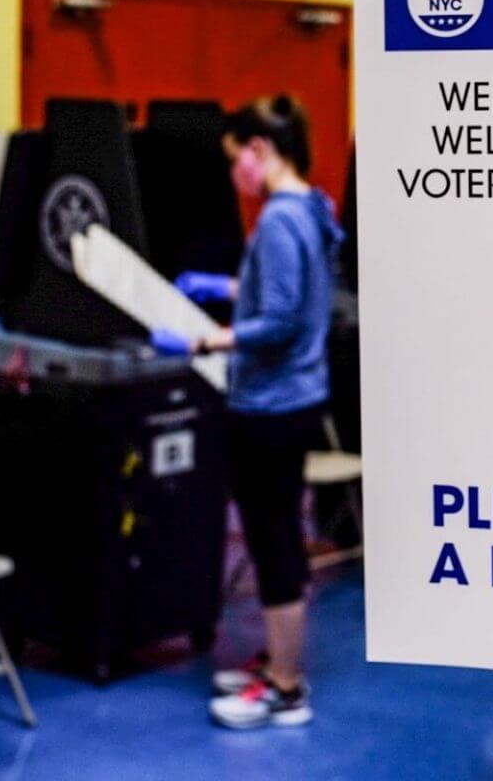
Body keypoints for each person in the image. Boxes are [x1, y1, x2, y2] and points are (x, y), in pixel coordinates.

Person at [152, 94, 343, 729]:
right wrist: (226, 286)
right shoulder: (312, 208)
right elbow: (286, 293)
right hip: (298, 398)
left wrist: (204, 341)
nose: (235, 174)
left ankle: (285, 687)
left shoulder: (281, 219)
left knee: (274, 543)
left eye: (236, 160)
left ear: (259, 151)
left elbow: (280, 321)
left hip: (270, 405)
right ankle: (279, 662)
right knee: (278, 537)